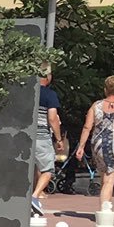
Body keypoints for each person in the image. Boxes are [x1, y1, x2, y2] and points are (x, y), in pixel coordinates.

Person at [75, 75, 114, 209]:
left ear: (106, 89)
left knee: (106, 177)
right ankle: (105, 211)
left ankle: (105, 207)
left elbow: (87, 127)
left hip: (100, 145)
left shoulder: (96, 105)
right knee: (110, 178)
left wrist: (81, 146)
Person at [31, 65, 66, 215]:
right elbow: (52, 118)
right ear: (48, 77)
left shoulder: (27, 91)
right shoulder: (49, 94)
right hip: (41, 135)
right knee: (47, 169)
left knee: (31, 167)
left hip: (24, 135)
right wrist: (59, 139)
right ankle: (34, 197)